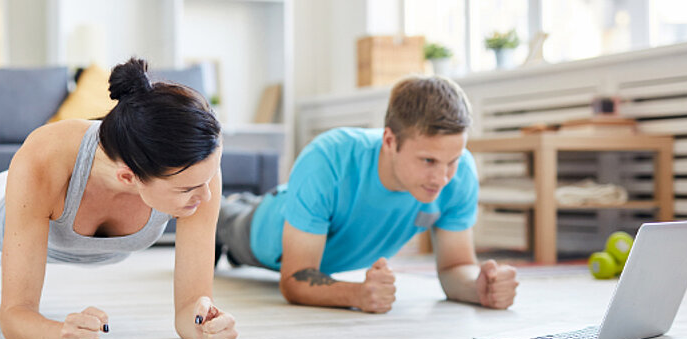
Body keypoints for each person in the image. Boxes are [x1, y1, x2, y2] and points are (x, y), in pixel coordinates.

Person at [0, 58, 237, 339]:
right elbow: (15, 316)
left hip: (67, 219)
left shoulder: (197, 170)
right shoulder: (46, 156)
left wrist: (203, 325)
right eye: (188, 190)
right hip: (4, 212)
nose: (207, 195)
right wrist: (59, 336)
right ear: (128, 177)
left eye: (208, 180)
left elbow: (187, 310)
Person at [215, 75, 519, 313]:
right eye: (428, 161)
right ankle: (229, 208)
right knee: (222, 219)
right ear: (389, 140)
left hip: (322, 250)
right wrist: (357, 294)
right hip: (262, 230)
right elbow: (295, 279)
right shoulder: (328, 157)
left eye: (451, 160)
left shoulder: (460, 172)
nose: (442, 177)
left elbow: (455, 268)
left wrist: (479, 287)